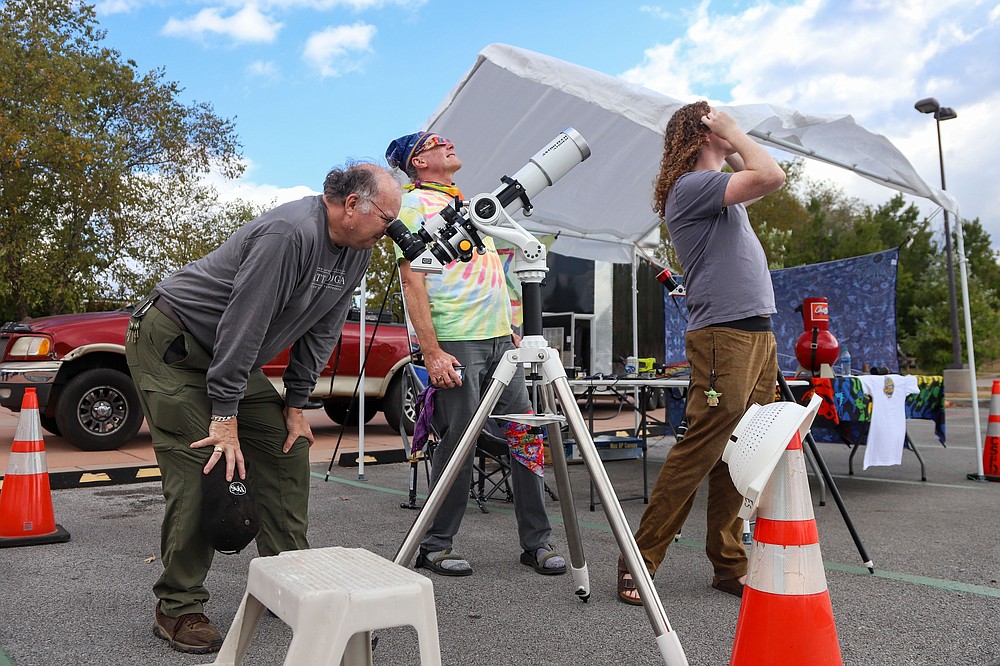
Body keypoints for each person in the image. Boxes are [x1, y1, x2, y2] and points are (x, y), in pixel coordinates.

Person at [125, 162, 401, 654]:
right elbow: (244, 321)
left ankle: (289, 583)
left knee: (285, 448)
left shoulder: (356, 252)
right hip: (175, 343)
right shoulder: (289, 233)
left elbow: (322, 329)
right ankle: (178, 607)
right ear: (352, 204)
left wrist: (297, 403)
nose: (392, 229)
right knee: (205, 464)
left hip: (230, 355)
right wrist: (225, 416)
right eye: (387, 216)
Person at [616, 103, 786, 604]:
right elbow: (771, 175)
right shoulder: (691, 187)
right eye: (723, 124)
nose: (736, 131)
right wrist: (730, 131)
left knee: (744, 447)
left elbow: (755, 174)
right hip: (724, 336)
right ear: (703, 132)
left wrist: (729, 140)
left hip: (753, 332)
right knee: (698, 449)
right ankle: (639, 559)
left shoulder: (715, 191)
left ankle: (728, 563)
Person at [385, 131, 566, 577]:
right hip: (457, 342)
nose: (449, 144)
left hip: (501, 339)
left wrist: (518, 328)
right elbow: (414, 282)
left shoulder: (469, 203)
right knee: (458, 443)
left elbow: (497, 271)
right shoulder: (410, 207)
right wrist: (431, 351)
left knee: (526, 437)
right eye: (435, 144)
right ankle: (436, 544)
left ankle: (537, 542)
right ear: (418, 163)